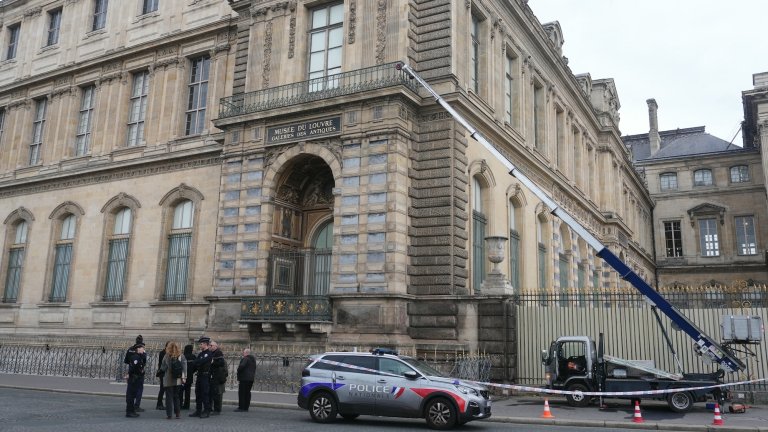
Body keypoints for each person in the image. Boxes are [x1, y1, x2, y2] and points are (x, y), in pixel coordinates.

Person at [158, 341, 187, 419]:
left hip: (168, 379)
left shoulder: (167, 356)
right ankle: (177, 413)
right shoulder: (182, 356)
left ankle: (169, 414)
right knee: (177, 396)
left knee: (169, 397)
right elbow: (184, 368)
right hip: (178, 379)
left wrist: (160, 372)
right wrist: (184, 378)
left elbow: (163, 367)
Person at [190, 336, 213, 419]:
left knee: (205, 394)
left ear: (206, 344)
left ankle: (206, 411)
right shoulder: (201, 354)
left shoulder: (209, 354)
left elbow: (200, 361)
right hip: (200, 375)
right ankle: (198, 410)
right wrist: (196, 362)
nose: (200, 345)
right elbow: (195, 363)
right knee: (198, 393)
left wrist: (197, 362)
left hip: (205, 376)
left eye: (201, 344)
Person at [124, 335, 147, 412]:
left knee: (130, 389)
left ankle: (129, 405)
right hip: (138, 372)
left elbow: (126, 361)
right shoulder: (142, 350)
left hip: (131, 370)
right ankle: (136, 405)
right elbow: (144, 361)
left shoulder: (130, 349)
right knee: (139, 389)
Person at [209, 341, 228, 415]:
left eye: (211, 345)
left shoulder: (219, 354)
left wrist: (212, 363)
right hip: (214, 377)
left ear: (215, 346)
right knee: (213, 394)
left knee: (218, 395)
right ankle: (212, 408)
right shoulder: (213, 354)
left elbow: (223, 368)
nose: (210, 346)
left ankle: (217, 410)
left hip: (219, 378)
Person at [235, 348, 256, 412]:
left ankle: (241, 407)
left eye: (243, 352)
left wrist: (238, 370)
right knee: (247, 393)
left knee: (242, 393)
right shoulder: (253, 360)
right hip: (251, 379)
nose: (243, 354)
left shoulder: (245, 358)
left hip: (244, 378)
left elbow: (242, 366)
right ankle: (246, 407)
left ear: (246, 353)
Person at [181, 344, 196, 410]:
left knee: (181, 391)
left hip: (183, 376)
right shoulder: (193, 356)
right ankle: (187, 405)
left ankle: (180, 404)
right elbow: (196, 366)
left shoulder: (183, 356)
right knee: (188, 391)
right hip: (190, 375)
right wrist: (192, 371)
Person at [156, 341, 169, 410]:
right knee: (162, 389)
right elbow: (163, 363)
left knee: (165, 389)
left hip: (166, 373)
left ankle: (162, 403)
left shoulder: (167, 353)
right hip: (163, 373)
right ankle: (159, 404)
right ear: (166, 347)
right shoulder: (162, 353)